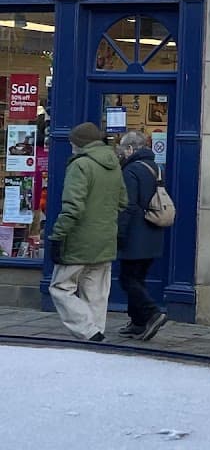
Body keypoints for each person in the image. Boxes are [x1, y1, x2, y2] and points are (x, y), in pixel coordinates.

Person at [48, 122, 127, 342]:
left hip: (79, 237)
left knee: (60, 287)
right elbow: (123, 201)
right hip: (106, 236)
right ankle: (96, 332)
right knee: (96, 290)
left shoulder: (80, 165)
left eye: (73, 142)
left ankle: (88, 331)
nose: (71, 146)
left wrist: (57, 235)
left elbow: (73, 207)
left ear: (79, 143)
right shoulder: (114, 164)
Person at [115, 131, 167, 341]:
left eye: (123, 150)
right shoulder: (156, 167)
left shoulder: (131, 170)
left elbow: (128, 205)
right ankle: (137, 322)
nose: (121, 154)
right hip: (153, 231)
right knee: (138, 278)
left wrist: (120, 232)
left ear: (130, 149)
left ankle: (152, 313)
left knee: (128, 278)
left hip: (136, 234)